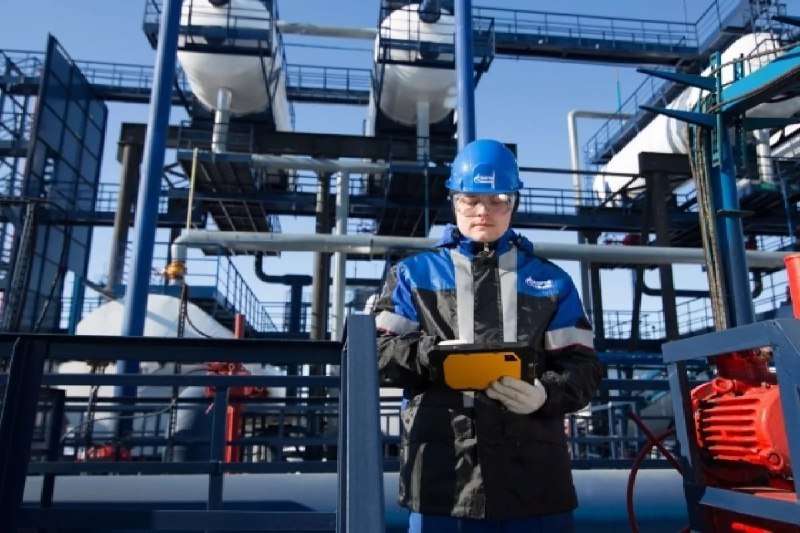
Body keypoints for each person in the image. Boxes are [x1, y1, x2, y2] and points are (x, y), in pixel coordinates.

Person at [374, 139, 603, 532]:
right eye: (470, 200)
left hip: (534, 482)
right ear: (453, 201)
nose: (483, 211)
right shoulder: (412, 276)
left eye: (497, 199)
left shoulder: (552, 281)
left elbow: (584, 367)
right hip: (443, 481)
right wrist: (436, 357)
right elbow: (378, 353)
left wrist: (546, 393)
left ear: (513, 203)